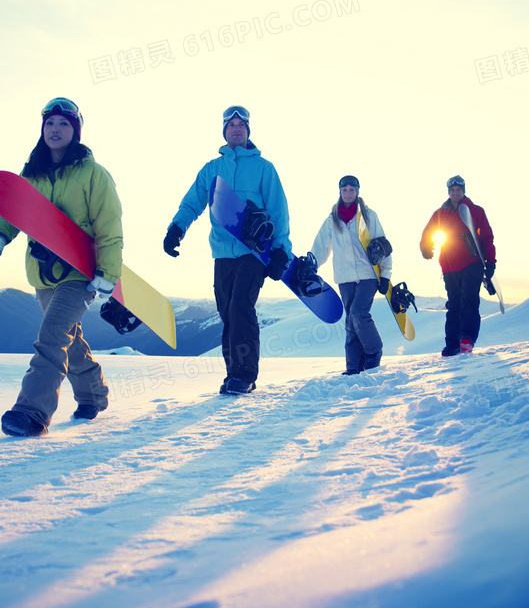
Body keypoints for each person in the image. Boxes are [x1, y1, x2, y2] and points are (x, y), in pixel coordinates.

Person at [0, 97, 123, 436]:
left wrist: (108, 273)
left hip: (80, 272)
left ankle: (32, 412)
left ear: (76, 131)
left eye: (64, 124)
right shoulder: (32, 173)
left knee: (51, 337)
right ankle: (94, 394)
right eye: (50, 124)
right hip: (42, 273)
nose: (55, 130)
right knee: (68, 340)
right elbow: (11, 212)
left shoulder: (94, 174)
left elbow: (109, 225)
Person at [163, 105, 291, 395]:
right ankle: (233, 372)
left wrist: (281, 249)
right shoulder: (212, 169)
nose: (236, 129)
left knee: (241, 307)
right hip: (222, 252)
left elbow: (278, 209)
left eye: (241, 125)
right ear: (224, 131)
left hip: (254, 251)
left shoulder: (263, 168)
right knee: (227, 313)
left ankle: (244, 375)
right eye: (231, 125)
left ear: (248, 131)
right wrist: (177, 228)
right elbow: (193, 201)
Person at [310, 175, 392, 375]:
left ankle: (374, 351)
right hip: (345, 277)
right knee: (351, 321)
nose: (347, 193)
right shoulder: (332, 219)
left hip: (368, 275)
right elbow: (321, 246)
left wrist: (386, 274)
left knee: (358, 313)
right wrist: (312, 264)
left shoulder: (369, 215)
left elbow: (383, 245)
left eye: (351, 190)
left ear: (357, 191)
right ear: (340, 192)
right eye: (344, 190)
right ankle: (354, 365)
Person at [419, 175, 496, 356]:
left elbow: (487, 237)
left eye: (458, 190)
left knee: (468, 298)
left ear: (463, 191)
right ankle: (452, 343)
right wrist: (425, 247)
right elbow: (428, 232)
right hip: (449, 264)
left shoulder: (476, 211)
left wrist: (490, 262)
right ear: (449, 192)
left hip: (472, 261)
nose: (455, 193)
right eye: (452, 190)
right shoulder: (440, 213)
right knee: (454, 303)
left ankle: (467, 339)